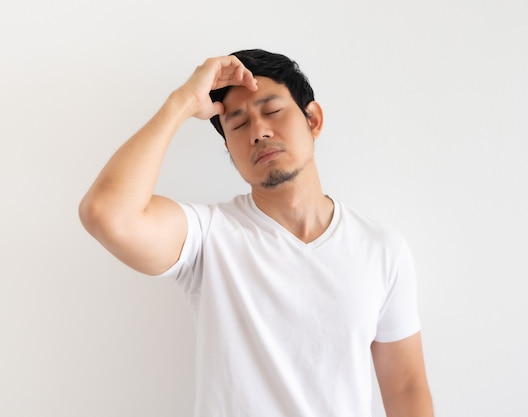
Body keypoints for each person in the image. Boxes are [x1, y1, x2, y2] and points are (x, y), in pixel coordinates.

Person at [79, 49, 434, 417]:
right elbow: (106, 213)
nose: (259, 132)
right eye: (238, 124)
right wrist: (182, 102)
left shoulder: (380, 248)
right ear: (229, 149)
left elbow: (407, 388)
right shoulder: (207, 237)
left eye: (272, 111)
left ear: (313, 119)